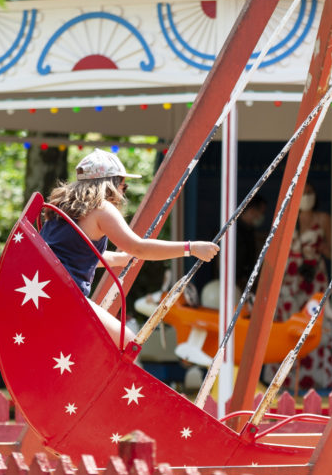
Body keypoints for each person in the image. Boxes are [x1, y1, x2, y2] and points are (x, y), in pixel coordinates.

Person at [41, 148, 220, 346]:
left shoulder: (62, 208)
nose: (122, 193)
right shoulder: (101, 208)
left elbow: (76, 256)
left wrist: (119, 259)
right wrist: (191, 248)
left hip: (48, 293)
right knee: (126, 343)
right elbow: (139, 247)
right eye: (123, 186)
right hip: (68, 298)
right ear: (111, 183)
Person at [274, 183, 332, 390]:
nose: (306, 196)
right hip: (290, 278)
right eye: (303, 192)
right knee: (288, 323)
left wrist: (321, 249)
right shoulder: (287, 218)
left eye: (310, 192)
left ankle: (315, 378)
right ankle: (284, 380)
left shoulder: (323, 219)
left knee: (313, 323)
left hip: (314, 274)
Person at [235, 195, 268, 291]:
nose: (262, 217)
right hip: (234, 283)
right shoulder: (232, 231)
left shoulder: (249, 230)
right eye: (261, 213)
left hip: (244, 282)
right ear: (252, 210)